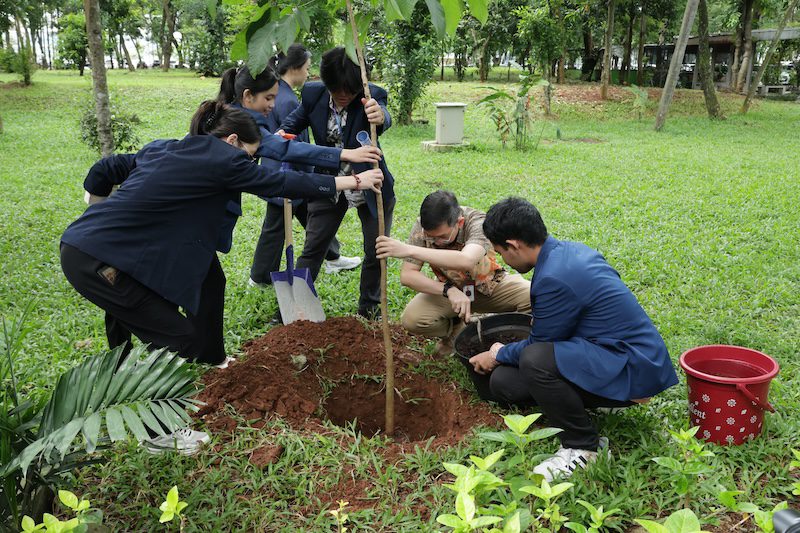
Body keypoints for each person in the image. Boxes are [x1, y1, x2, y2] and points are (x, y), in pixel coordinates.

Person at [61, 100, 383, 454]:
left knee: (211, 279)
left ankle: (211, 356)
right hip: (96, 261)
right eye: (250, 154)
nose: (251, 162)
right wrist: (352, 180)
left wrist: (97, 208)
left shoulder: (166, 146)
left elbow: (108, 167)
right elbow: (280, 180)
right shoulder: (225, 159)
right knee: (177, 336)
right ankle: (158, 432)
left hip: (98, 246)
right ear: (231, 141)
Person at [467, 197, 678, 481]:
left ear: (514, 245)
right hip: (612, 354)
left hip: (631, 368)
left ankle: (583, 447)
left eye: (501, 252)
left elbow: (537, 347)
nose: (503, 261)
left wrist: (496, 353)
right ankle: (590, 401)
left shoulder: (554, 277)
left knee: (534, 359)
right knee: (505, 383)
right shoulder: (568, 252)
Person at [214, 62, 379, 287]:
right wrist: (347, 159)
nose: (273, 105)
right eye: (269, 98)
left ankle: (330, 257)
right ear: (248, 96)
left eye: (275, 97)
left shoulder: (233, 114)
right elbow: (284, 159)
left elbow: (282, 148)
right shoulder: (240, 125)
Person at [279, 46, 395, 319]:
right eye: (337, 89)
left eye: (349, 90)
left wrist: (381, 115)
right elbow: (291, 124)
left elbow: (384, 117)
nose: (343, 95)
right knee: (313, 246)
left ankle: (370, 308)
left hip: (371, 183)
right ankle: (295, 305)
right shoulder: (312, 94)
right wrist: (280, 135)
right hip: (329, 183)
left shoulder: (371, 95)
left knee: (375, 250)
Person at [375, 190, 531, 356]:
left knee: (533, 295)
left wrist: (408, 249)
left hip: (489, 286)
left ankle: (510, 340)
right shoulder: (422, 228)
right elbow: (408, 276)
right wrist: (448, 290)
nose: (436, 242)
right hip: (451, 291)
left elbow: (466, 260)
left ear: (460, 222)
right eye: (431, 238)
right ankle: (456, 331)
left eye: (441, 237)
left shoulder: (478, 221)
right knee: (412, 319)